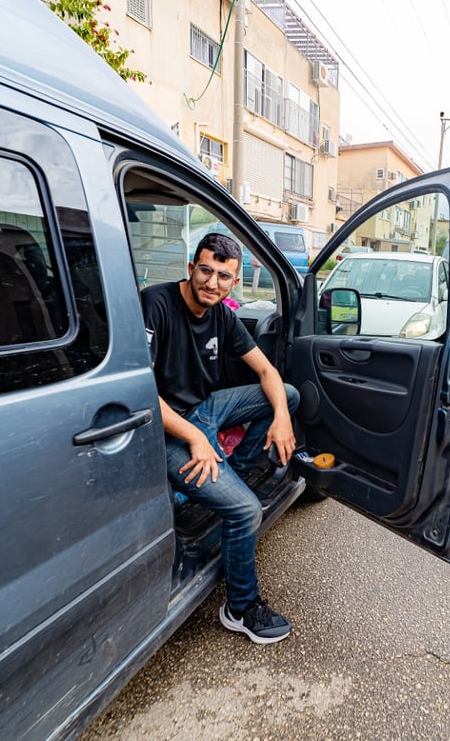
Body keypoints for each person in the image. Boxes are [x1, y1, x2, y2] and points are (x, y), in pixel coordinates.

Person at [141, 232, 300, 644]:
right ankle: (241, 608)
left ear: (234, 283)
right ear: (191, 268)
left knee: (288, 395)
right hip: (164, 427)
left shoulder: (224, 316)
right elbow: (139, 391)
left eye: (224, 277)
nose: (212, 284)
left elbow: (268, 373)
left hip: (204, 411)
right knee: (246, 512)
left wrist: (282, 417)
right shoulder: (155, 304)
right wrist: (195, 435)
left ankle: (235, 481)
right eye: (206, 271)